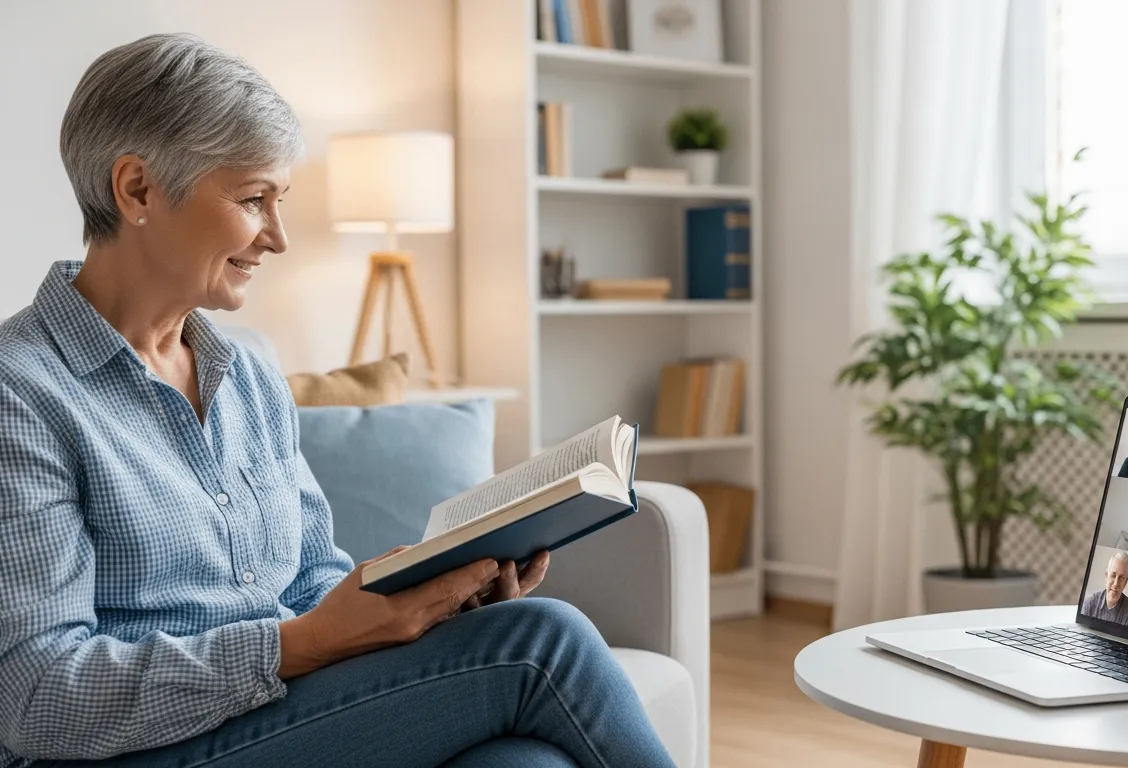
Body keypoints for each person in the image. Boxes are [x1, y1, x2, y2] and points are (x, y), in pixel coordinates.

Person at [0, 34, 673, 767]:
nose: (278, 238)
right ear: (136, 189)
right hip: (122, 753)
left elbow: (312, 577)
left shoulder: (246, 370)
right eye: (254, 199)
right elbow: (39, 695)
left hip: (272, 716)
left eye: (278, 201)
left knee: (523, 764)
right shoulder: (23, 393)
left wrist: (432, 604)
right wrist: (308, 642)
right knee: (545, 640)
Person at [1081, 551, 1128, 626]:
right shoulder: (1089, 603)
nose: (1116, 584)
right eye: (1113, 575)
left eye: (1121, 578)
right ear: (1106, 576)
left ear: (1125, 582)